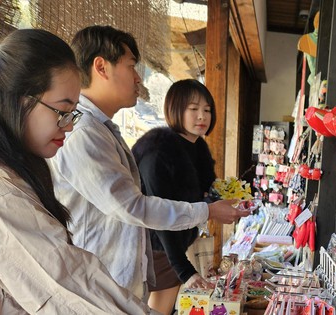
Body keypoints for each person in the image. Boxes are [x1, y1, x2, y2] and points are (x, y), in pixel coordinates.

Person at [0, 29, 151, 314]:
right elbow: (65, 285)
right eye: (62, 110)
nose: (69, 125)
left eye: (73, 112)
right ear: (19, 99)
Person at [47, 25, 249, 300]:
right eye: (131, 66)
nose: (138, 78)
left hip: (113, 281)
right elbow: (133, 206)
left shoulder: (101, 128)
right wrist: (208, 212)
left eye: (206, 110)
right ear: (101, 67)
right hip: (99, 286)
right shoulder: (84, 133)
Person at [131, 79, 217, 314]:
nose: (202, 116)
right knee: (159, 310)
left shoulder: (197, 148)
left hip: (176, 245)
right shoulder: (158, 152)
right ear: (175, 109)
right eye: (193, 109)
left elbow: (197, 196)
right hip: (157, 249)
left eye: (207, 110)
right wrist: (183, 269)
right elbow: (159, 215)